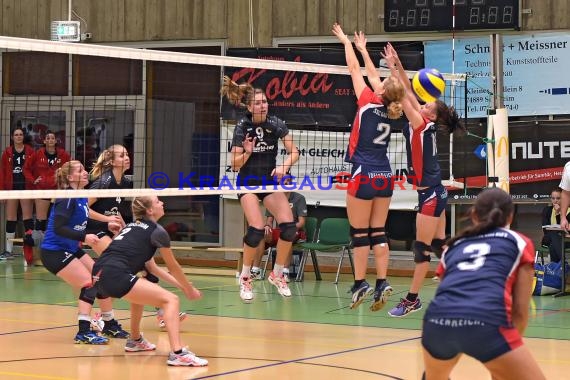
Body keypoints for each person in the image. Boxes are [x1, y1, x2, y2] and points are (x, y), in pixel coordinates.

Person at [421, 188, 545, 380]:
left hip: (436, 323)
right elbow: (520, 312)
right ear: (510, 216)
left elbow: (448, 295)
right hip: (486, 322)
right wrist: (503, 356)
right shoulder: (520, 242)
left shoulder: (453, 246)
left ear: (474, 214)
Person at [382, 43, 464, 317]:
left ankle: (412, 299)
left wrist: (393, 67)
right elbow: (409, 88)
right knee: (441, 245)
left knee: (421, 249)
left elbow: (405, 93)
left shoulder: (420, 123)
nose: (423, 102)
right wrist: (398, 64)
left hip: (430, 194)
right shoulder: (424, 121)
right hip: (432, 192)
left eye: (427, 103)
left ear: (432, 115)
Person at [332, 24, 405, 311]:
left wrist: (347, 44)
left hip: (363, 173)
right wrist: (365, 49)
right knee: (379, 232)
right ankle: (382, 281)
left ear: (382, 90)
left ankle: (361, 282)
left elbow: (354, 69)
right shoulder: (391, 108)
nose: (380, 80)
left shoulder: (366, 101)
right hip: (384, 176)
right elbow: (374, 76)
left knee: (359, 233)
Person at [92, 196, 208, 367]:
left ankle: (135, 340)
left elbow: (153, 269)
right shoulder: (158, 231)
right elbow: (173, 266)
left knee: (139, 294)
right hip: (115, 273)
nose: (162, 203)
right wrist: (188, 290)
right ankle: (178, 353)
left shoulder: (132, 227)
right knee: (171, 300)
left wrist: (184, 287)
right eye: (157, 201)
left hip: (98, 274)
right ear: (150, 211)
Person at [221, 75, 300, 302]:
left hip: (269, 182)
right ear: (249, 106)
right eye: (257, 103)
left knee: (288, 228)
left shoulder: (276, 124)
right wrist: (247, 151)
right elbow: (234, 165)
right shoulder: (242, 127)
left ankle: (277, 274)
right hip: (247, 183)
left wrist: (284, 166)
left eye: (265, 102)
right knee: (256, 229)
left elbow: (294, 151)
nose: (263, 105)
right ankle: (245, 278)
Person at [40, 160, 124, 344]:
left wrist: (107, 221)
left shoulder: (80, 196)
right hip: (54, 251)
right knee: (88, 283)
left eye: (84, 169)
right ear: (70, 177)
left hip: (70, 248)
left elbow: (85, 217)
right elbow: (59, 227)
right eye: (80, 171)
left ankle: (109, 324)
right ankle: (83, 332)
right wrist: (84, 237)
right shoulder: (66, 197)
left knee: (100, 278)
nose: (86, 172)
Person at [23, 130, 71, 260]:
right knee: (41, 222)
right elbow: (25, 168)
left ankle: (60, 250)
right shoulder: (37, 154)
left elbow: (70, 169)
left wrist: (65, 182)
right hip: (42, 189)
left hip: (58, 191)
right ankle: (39, 254)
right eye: (48, 138)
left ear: (56, 141)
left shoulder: (64, 155)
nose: (50, 140)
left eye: (52, 138)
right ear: (44, 141)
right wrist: (33, 180)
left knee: (58, 220)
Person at [251, 191, 308, 282]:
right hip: (279, 230)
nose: (285, 183)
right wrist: (267, 228)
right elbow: (269, 221)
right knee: (260, 235)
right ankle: (255, 271)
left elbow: (301, 222)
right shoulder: (272, 198)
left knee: (286, 235)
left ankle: (284, 273)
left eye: (288, 181)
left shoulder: (299, 198)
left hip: (296, 230)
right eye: (281, 181)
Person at [0, 127, 35, 261]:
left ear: (23, 137)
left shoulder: (30, 151)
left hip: (25, 187)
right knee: (11, 218)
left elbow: (34, 169)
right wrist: (2, 191)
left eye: (20, 135)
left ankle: (29, 249)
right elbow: (2, 172)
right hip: (11, 188)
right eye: (16, 135)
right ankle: (8, 251)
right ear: (12, 137)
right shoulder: (7, 152)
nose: (18, 137)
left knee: (27, 218)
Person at [540, 187, 569, 263]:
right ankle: (564, 264)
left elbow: (563, 228)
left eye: (558, 198)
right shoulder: (547, 210)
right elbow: (545, 229)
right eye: (553, 198)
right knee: (553, 234)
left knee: (553, 245)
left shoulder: (568, 211)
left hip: (565, 239)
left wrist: (559, 213)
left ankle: (557, 269)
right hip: (548, 238)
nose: (555, 201)